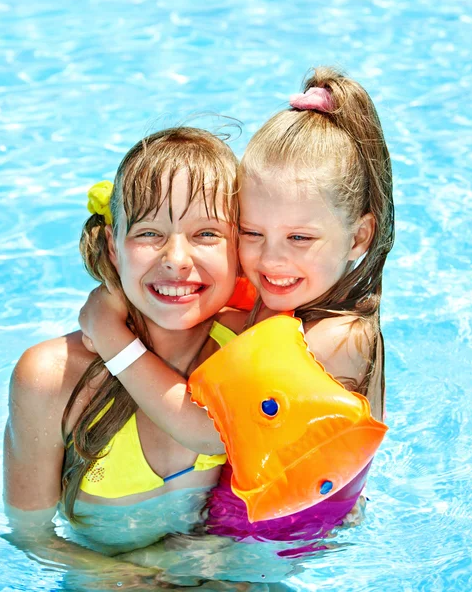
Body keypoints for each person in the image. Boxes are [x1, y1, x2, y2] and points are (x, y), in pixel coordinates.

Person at [78, 66, 394, 550]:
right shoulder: (296, 302)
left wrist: (110, 334)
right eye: (251, 232)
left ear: (359, 237)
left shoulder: (334, 339)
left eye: (300, 238)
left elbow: (205, 432)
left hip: (264, 546)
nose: (270, 260)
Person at [3, 126, 246, 568]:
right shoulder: (52, 377)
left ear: (241, 250)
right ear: (114, 249)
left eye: (207, 234)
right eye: (150, 233)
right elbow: (30, 537)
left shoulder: (250, 353)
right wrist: (114, 578)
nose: (176, 258)